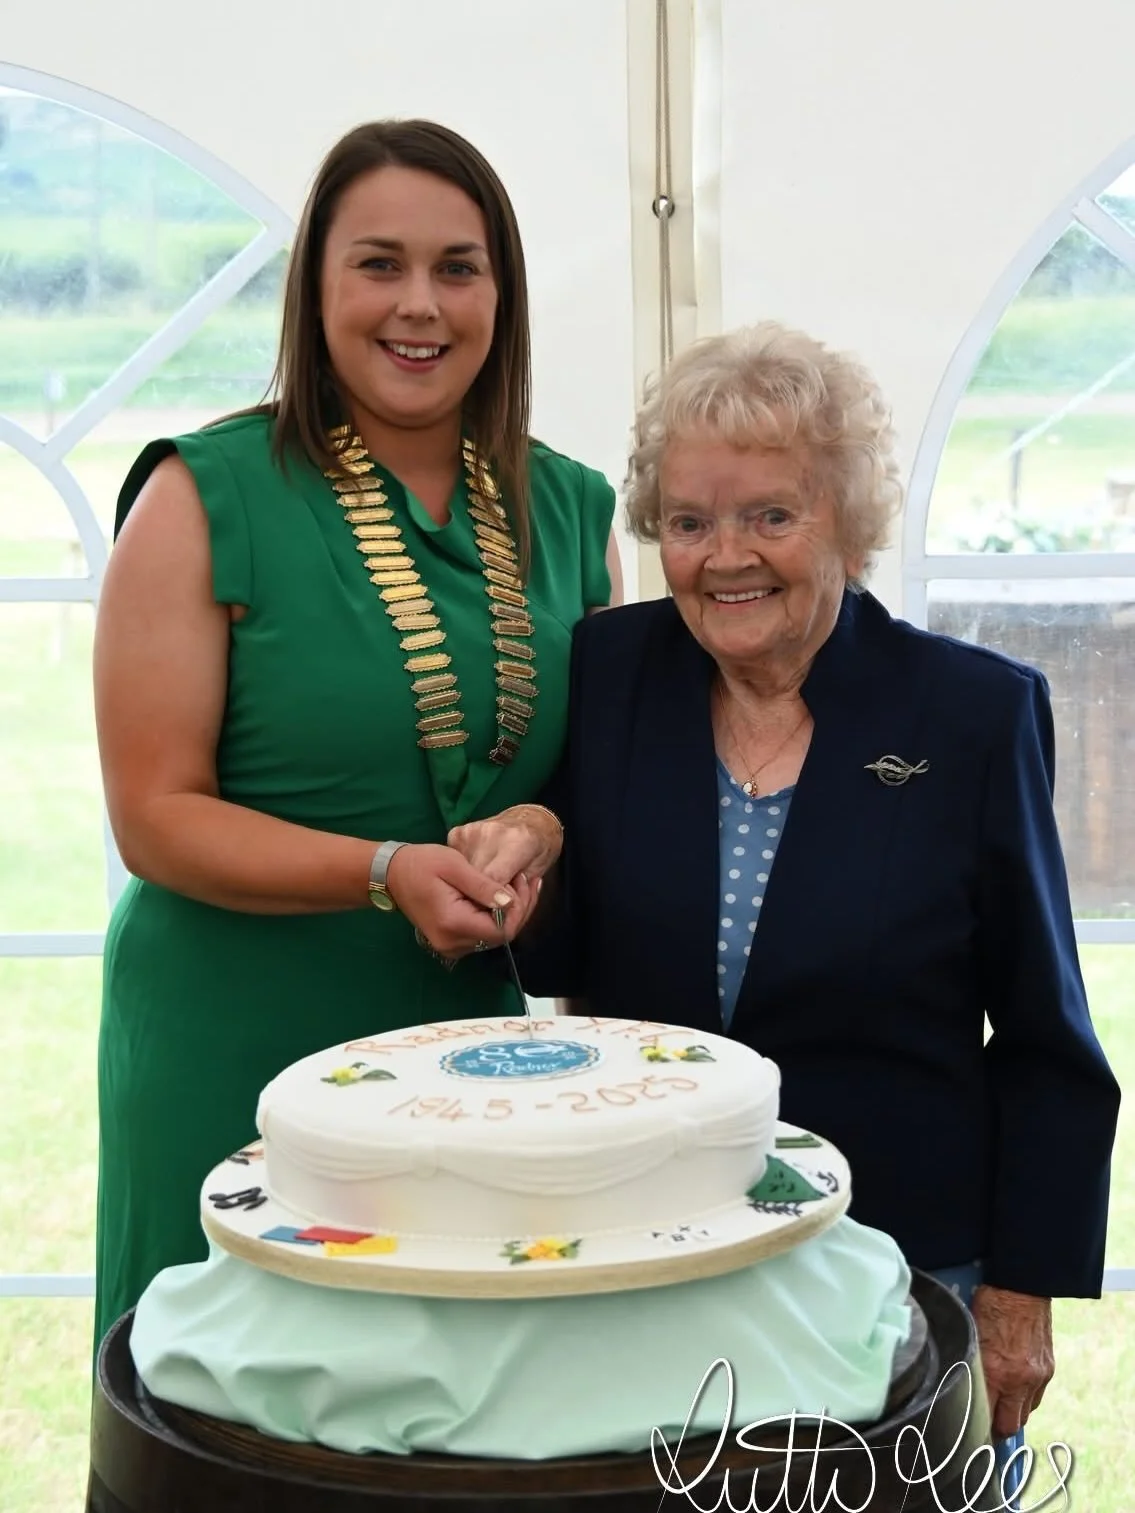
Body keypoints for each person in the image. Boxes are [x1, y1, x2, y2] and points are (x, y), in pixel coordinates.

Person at [451, 322, 1120, 1504]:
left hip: (904, 1263)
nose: (724, 558)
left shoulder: (970, 713)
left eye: (771, 515)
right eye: (692, 521)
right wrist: (525, 869)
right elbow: (577, 950)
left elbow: (1044, 1036)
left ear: (848, 525)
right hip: (659, 1254)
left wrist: (1020, 1294)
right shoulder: (611, 670)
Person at [92, 118, 619, 1348]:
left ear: (504, 291)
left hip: (466, 1055)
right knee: (230, 1395)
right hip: (230, 1030)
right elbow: (154, 816)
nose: (419, 306)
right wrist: (379, 870)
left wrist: (538, 826)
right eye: (378, 263)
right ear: (315, 285)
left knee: (449, 1394)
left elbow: (606, 777)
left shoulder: (571, 507)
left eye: (458, 266)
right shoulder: (198, 496)